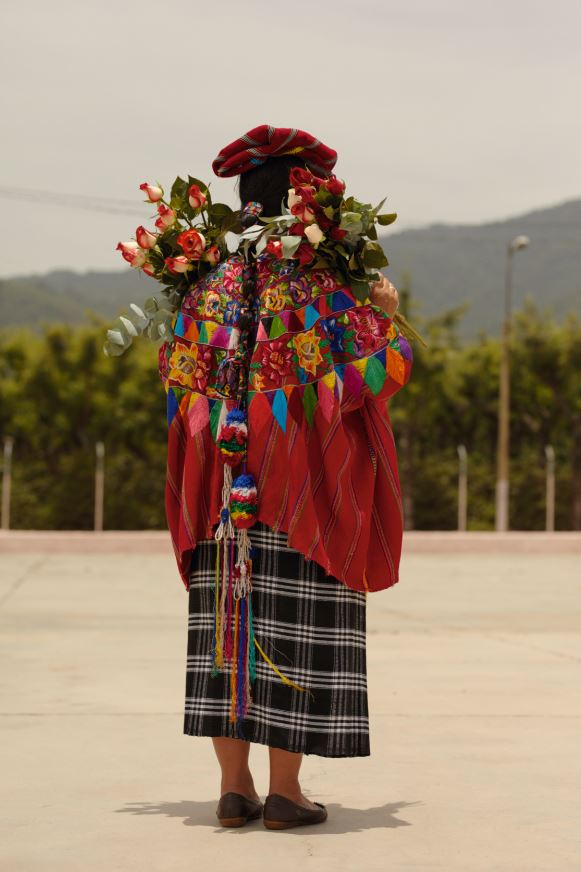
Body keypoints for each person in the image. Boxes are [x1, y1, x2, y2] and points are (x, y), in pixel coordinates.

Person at [159, 125, 413, 830]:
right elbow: (376, 371)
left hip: (223, 496)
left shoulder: (205, 285)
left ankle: (233, 789)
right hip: (302, 497)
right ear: (306, 198)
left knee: (226, 636)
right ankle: (285, 794)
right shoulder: (319, 283)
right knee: (294, 633)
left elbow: (178, 393)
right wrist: (387, 317)